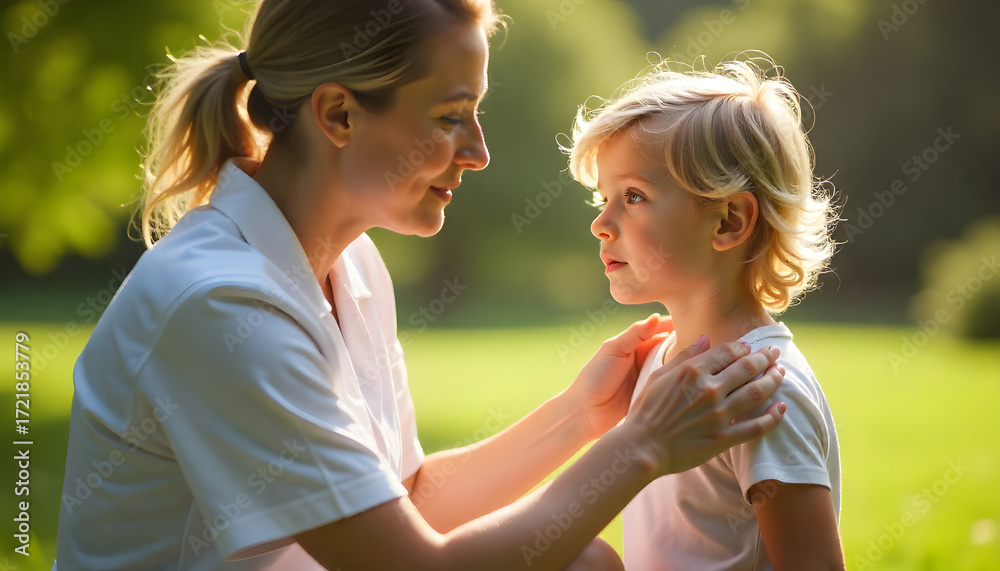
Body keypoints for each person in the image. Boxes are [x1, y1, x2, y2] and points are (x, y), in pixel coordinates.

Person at [55, 3, 787, 570]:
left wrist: (580, 417)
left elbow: (407, 501)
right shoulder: (219, 302)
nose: (478, 152)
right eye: (449, 118)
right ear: (338, 113)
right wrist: (643, 444)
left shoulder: (353, 267)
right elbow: (409, 563)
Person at [567, 55, 844, 570]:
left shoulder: (762, 389)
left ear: (728, 220)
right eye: (602, 199)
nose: (601, 224)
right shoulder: (660, 361)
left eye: (633, 196)